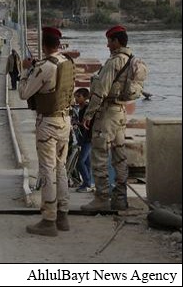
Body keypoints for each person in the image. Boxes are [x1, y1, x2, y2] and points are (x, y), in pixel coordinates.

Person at [18, 26, 76, 236]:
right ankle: (63, 215)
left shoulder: (44, 67)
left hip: (48, 124)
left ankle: (48, 220)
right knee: (61, 169)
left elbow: (24, 93)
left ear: (43, 45)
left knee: (47, 170)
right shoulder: (67, 62)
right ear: (58, 44)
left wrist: (26, 70)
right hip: (65, 122)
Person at [81, 25, 132, 212]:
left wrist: (88, 114)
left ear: (116, 41)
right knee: (120, 157)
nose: (107, 45)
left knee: (99, 156)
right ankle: (120, 198)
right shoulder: (130, 60)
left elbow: (100, 92)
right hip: (120, 113)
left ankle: (102, 197)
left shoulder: (114, 62)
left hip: (107, 114)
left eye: (109, 41)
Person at [73, 88, 93, 193]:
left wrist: (77, 123)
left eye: (78, 96)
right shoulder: (80, 108)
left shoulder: (87, 108)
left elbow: (87, 124)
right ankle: (87, 183)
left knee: (80, 162)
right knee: (86, 161)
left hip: (87, 138)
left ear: (85, 98)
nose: (76, 98)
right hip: (83, 138)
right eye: (75, 96)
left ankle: (87, 183)